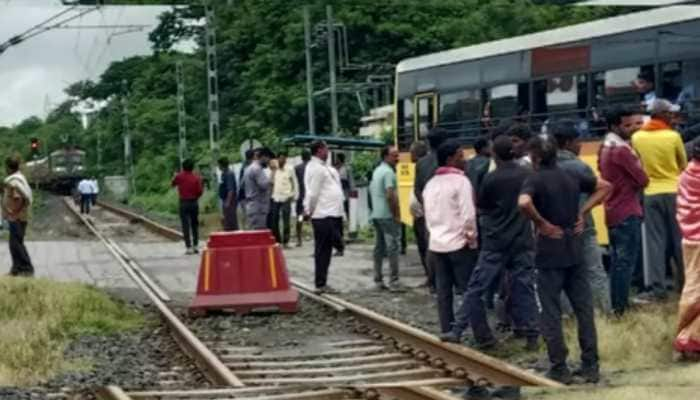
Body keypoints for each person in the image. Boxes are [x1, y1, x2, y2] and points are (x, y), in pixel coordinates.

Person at [518, 134, 611, 384]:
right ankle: (591, 365)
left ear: (535, 157)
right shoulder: (571, 175)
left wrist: (541, 223)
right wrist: (582, 211)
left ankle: (559, 367)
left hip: (549, 252)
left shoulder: (534, 179)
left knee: (550, 310)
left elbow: (524, 202)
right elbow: (605, 186)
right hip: (575, 247)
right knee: (584, 309)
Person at [443, 136, 539, 352]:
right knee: (524, 288)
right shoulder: (527, 175)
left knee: (477, 287)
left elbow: (483, 207)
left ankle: (457, 330)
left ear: (494, 155)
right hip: (522, 240)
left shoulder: (491, 178)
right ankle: (532, 335)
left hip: (495, 242)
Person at [552, 119, 612, 314]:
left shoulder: (544, 166)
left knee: (561, 274)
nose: (580, 146)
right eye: (579, 142)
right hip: (583, 227)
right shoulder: (578, 166)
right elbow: (603, 189)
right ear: (569, 142)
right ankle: (604, 313)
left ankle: (569, 316)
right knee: (595, 271)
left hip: (556, 230)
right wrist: (583, 211)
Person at [632, 98, 687, 300]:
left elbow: (637, 165)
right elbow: (683, 164)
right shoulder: (673, 136)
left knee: (655, 242)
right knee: (679, 239)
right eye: (670, 113)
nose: (673, 116)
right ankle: (686, 285)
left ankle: (658, 289)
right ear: (661, 115)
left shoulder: (637, 137)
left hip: (650, 193)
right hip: (675, 192)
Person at [423, 139, 479, 337]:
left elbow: (428, 215)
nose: (465, 160)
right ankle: (481, 334)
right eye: (460, 156)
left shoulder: (430, 184)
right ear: (450, 159)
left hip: (437, 244)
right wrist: (471, 239)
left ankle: (446, 329)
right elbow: (468, 216)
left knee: (443, 292)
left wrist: (436, 235)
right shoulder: (461, 182)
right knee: (470, 290)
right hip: (459, 244)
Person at [598, 106, 649, 315]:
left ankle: (618, 304)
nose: (630, 129)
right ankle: (621, 307)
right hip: (627, 210)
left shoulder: (604, 148)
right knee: (625, 263)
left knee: (619, 261)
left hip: (612, 210)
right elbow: (643, 179)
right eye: (626, 125)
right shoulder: (621, 150)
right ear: (613, 126)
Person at [304, 140, 345, 294]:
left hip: (331, 212)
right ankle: (320, 283)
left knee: (326, 249)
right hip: (322, 214)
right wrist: (310, 211)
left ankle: (322, 282)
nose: (328, 151)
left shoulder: (324, 168)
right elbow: (313, 193)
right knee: (323, 250)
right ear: (320, 150)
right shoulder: (316, 169)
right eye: (326, 148)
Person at [675, 141, 700, 359]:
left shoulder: (686, 173)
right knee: (695, 292)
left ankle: (688, 337)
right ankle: (687, 338)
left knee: (693, 287)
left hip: (689, 239)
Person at [413, 128, 447, 293]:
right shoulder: (447, 159)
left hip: (429, 212)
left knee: (430, 246)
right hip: (447, 211)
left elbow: (417, 189)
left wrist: (427, 205)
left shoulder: (421, 163)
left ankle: (433, 282)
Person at [369, 145, 402, 291]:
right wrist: (396, 214)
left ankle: (378, 279)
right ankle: (394, 281)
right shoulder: (389, 172)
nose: (397, 158)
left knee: (379, 247)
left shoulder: (377, 171)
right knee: (393, 247)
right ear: (386, 156)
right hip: (387, 214)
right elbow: (390, 195)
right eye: (394, 155)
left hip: (376, 213)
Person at [2, 156, 34, 277]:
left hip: (17, 217)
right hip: (20, 216)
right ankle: (16, 269)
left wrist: (14, 212)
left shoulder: (13, 182)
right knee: (14, 243)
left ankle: (26, 268)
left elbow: (18, 198)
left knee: (16, 244)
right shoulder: (19, 178)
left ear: (9, 168)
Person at [408, 141, 431, 291]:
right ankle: (429, 277)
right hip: (419, 215)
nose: (409, 155)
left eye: (411, 152)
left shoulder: (422, 165)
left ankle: (431, 278)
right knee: (423, 248)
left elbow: (419, 190)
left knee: (426, 247)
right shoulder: (421, 166)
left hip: (424, 215)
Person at [172, 159, 204, 255]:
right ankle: (195, 246)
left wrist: (175, 176)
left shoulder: (179, 176)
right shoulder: (196, 177)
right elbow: (200, 191)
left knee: (185, 225)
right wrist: (195, 197)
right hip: (194, 203)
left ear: (183, 167)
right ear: (192, 167)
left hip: (183, 203)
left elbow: (173, 184)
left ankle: (188, 247)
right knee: (194, 224)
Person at [271, 152, 298, 247]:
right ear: (277, 159)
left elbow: (294, 182)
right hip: (276, 197)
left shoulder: (290, 168)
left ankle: (286, 241)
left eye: (284, 158)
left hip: (286, 197)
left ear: (286, 159)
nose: (282, 160)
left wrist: (293, 195)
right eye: (280, 158)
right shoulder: (274, 168)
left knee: (286, 219)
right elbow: (271, 182)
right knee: (274, 219)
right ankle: (277, 240)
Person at [243, 148, 274, 230]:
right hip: (258, 208)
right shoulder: (257, 169)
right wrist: (273, 171)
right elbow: (264, 185)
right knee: (258, 234)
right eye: (269, 159)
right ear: (264, 157)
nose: (269, 162)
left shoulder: (250, 168)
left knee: (255, 233)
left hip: (254, 206)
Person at [295, 150, 311, 247]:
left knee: (300, 217)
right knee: (314, 217)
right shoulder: (313, 167)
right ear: (310, 157)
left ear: (301, 157)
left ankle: (299, 239)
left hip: (302, 196)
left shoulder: (297, 168)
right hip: (311, 196)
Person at [218, 157, 238, 231]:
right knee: (227, 219)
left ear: (221, 165)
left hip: (230, 200)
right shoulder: (224, 174)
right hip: (225, 199)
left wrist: (228, 202)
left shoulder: (229, 174)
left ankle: (233, 233)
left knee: (231, 219)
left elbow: (231, 190)